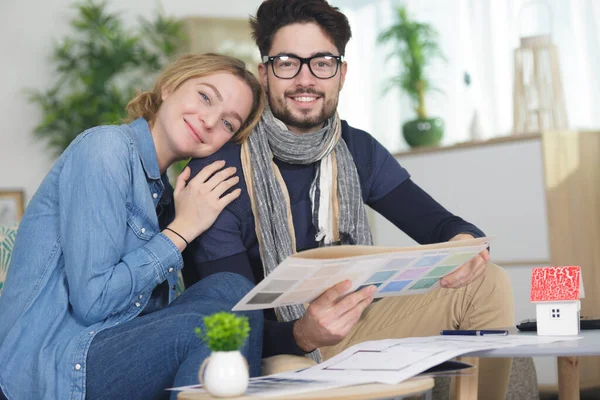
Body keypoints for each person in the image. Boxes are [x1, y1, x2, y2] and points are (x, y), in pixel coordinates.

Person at [183, 1, 514, 398]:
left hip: (357, 321)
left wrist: (464, 244)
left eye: (321, 62)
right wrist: (302, 334)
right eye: (287, 63)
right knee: (291, 369)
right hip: (272, 348)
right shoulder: (221, 171)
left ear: (341, 74)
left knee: (488, 281)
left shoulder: (357, 150)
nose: (305, 79)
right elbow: (227, 326)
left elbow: (444, 226)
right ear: (265, 73)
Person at [0, 53, 266, 400]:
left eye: (229, 123)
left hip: (105, 348)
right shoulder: (105, 149)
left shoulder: (164, 193)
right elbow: (92, 302)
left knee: (235, 295)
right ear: (169, 86)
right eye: (205, 96)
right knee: (205, 330)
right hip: (51, 371)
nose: (210, 120)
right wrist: (181, 231)